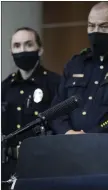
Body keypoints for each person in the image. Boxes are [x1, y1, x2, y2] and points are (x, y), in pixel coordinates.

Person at [51, 2, 108, 135]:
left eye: (103, 27)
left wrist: (93, 135)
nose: (96, 31)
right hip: (69, 145)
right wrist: (67, 132)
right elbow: (57, 109)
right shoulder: (76, 64)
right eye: (91, 26)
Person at [1, 27, 60, 189]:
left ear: (40, 50)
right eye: (17, 46)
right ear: (11, 51)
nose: (22, 50)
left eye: (28, 45)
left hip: (43, 165)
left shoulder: (55, 84)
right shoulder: (5, 87)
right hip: (9, 168)